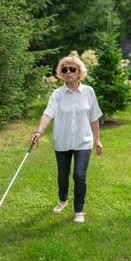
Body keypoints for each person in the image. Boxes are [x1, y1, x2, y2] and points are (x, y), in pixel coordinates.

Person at [30, 55, 103, 222]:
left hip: (83, 141)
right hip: (62, 140)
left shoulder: (88, 92)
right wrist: (39, 132)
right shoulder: (57, 94)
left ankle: (79, 210)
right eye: (65, 69)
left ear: (79, 72)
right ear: (61, 73)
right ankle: (62, 201)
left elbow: (94, 117)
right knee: (63, 174)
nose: (68, 72)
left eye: (72, 69)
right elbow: (48, 113)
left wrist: (97, 140)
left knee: (79, 175)